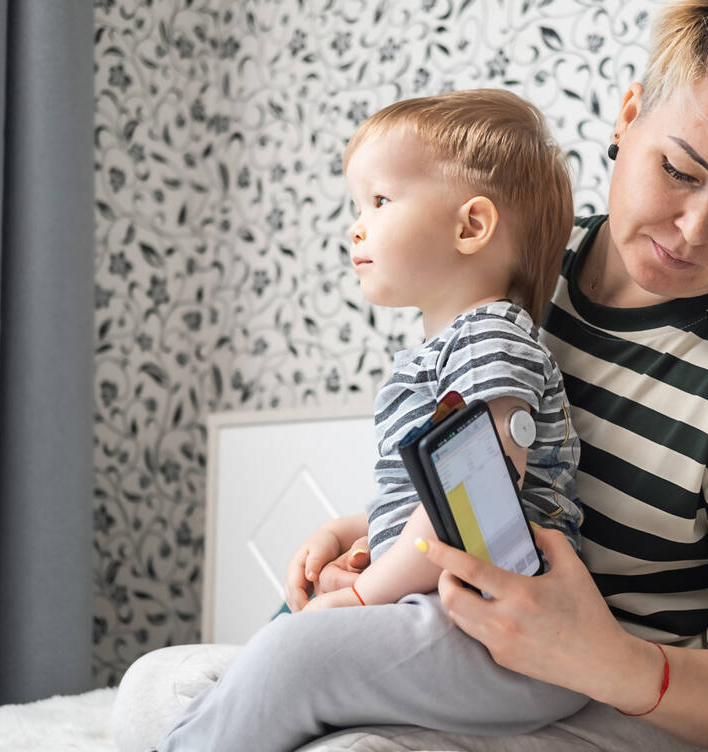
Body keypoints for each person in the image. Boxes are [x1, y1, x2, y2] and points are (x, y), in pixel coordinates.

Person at [113, 1, 708, 750]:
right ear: (628, 115)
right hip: (461, 634)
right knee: (154, 688)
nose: (694, 229)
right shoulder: (521, 269)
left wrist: (610, 662)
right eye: (678, 170)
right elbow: (498, 471)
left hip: (624, 706)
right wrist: (377, 532)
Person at [145, 89, 588, 751]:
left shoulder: (491, 337)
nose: (357, 225)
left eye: (379, 202)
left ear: (471, 227)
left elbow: (477, 491)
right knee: (276, 639)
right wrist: (350, 531)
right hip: (456, 622)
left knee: (300, 654)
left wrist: (364, 597)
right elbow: (431, 498)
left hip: (515, 637)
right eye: (358, 206)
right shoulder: (442, 353)